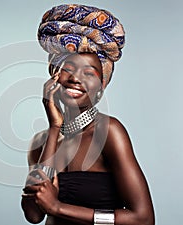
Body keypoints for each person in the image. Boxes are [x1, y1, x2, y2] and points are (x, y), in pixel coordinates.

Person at [21, 4, 155, 225]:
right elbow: (34, 214)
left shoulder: (109, 132)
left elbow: (143, 219)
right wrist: (55, 128)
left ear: (101, 87)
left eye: (89, 73)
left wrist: (58, 208)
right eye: (68, 69)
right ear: (54, 76)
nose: (76, 78)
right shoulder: (40, 142)